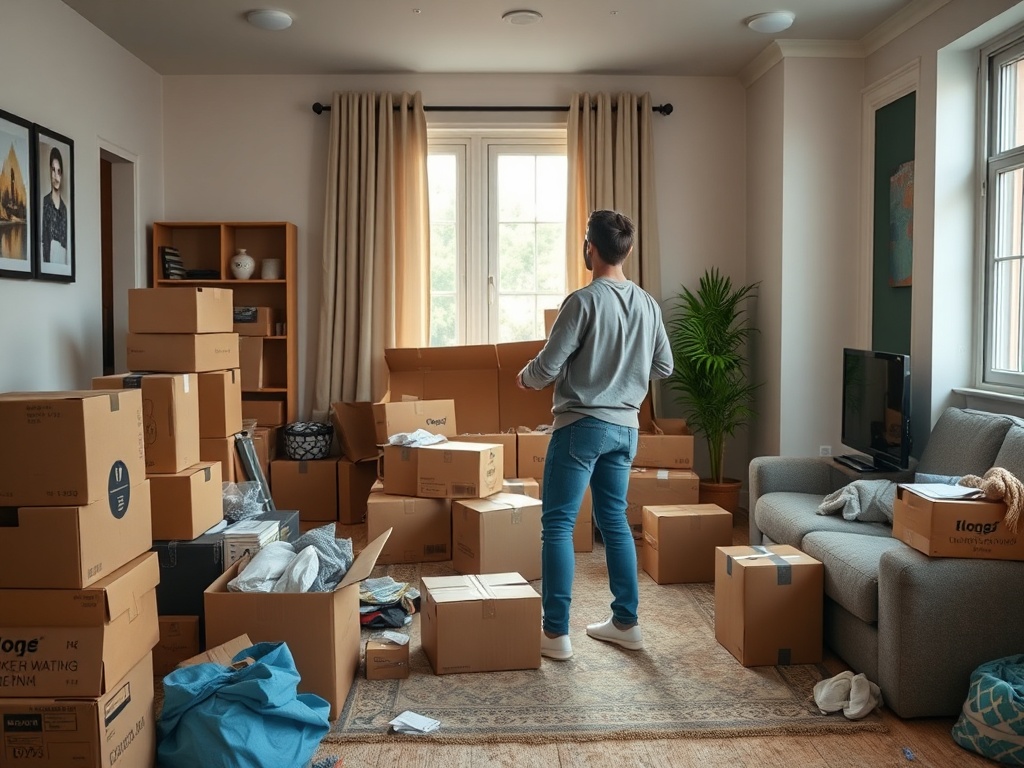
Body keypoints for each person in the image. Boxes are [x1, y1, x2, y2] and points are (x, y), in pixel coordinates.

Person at [516, 209, 673, 661]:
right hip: (626, 429)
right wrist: (628, 371)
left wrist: (527, 378)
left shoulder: (582, 302)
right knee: (615, 522)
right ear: (625, 249)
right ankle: (626, 623)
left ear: (591, 247)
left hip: (582, 426)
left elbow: (547, 366)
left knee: (558, 524)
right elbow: (664, 366)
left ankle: (555, 634)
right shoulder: (647, 304)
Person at [40, 146, 68, 264]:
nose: (56, 177)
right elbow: (43, 241)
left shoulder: (64, 209)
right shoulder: (45, 203)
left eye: (59, 171)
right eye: (53, 170)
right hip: (48, 264)